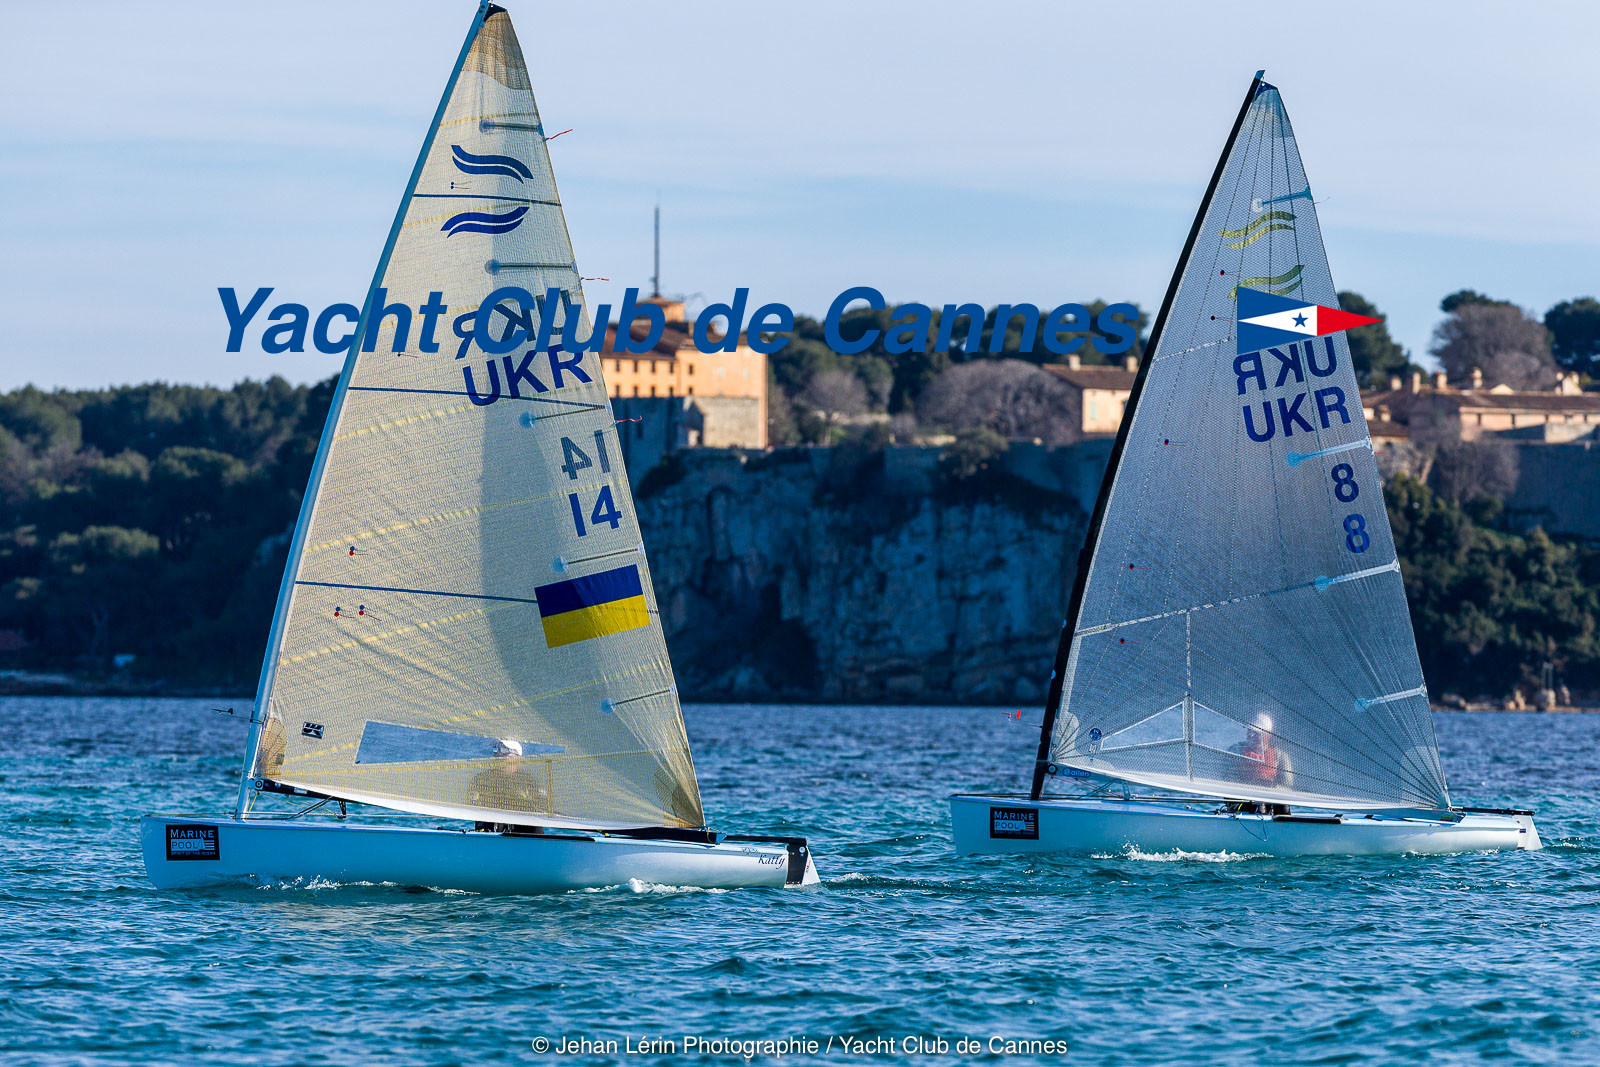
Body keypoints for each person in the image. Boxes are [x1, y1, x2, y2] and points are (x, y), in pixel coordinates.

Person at [470, 739, 549, 834]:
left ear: (516, 757)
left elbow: (542, 808)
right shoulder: (481, 779)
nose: (498, 753)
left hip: (524, 835)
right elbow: (472, 804)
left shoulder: (529, 782)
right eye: (496, 749)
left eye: (503, 750)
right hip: (492, 834)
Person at [1224, 712, 1294, 815]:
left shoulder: (1279, 755)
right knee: (1259, 806)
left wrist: (1270, 789)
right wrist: (1251, 786)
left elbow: (1287, 785)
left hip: (1268, 798)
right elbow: (1226, 778)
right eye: (1249, 730)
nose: (1250, 735)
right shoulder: (1236, 750)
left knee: (1282, 806)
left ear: (1268, 734)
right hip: (1242, 800)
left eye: (1256, 732)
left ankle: (1283, 826)